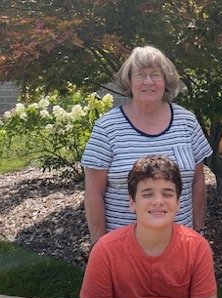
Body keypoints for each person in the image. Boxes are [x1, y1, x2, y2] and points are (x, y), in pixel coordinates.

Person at [81, 45, 212, 245]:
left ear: (166, 81)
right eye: (140, 75)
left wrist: (198, 231)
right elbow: (93, 193)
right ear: (130, 81)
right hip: (123, 249)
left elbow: (197, 182)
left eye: (156, 75)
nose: (148, 82)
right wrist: (99, 245)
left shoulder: (187, 122)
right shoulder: (107, 128)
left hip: (181, 246)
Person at [80, 155, 218, 298]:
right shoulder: (105, 251)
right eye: (147, 194)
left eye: (167, 194)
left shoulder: (197, 248)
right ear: (132, 203)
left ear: (178, 203)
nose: (158, 201)